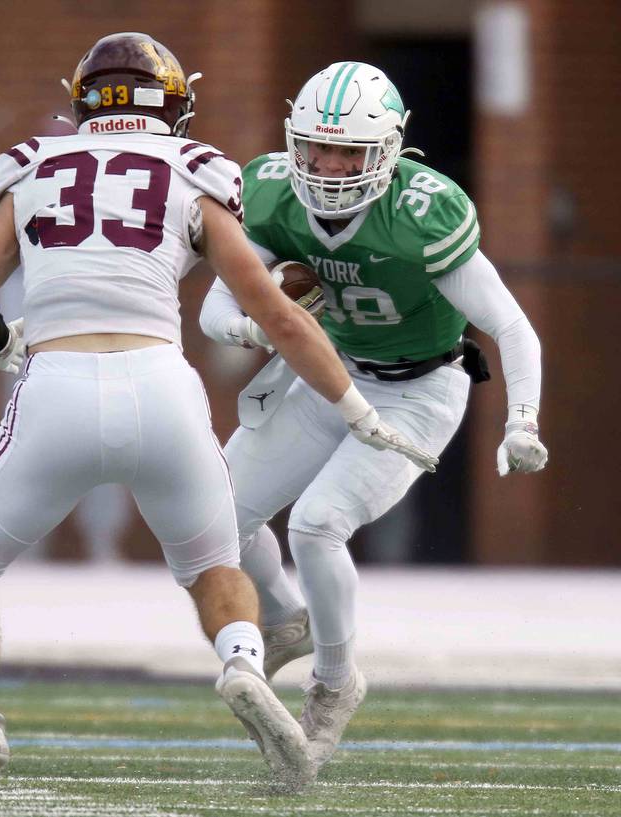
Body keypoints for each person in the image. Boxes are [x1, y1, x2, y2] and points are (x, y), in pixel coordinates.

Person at [0, 35, 436, 790]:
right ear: (176, 104)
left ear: (83, 99)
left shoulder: (32, 166)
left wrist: (4, 344)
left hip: (57, 381)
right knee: (214, 562)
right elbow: (279, 316)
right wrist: (357, 410)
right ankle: (244, 665)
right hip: (162, 386)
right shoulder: (195, 172)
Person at [199, 61, 549, 772]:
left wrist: (523, 420)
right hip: (332, 373)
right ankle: (287, 618)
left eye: (347, 151)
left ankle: (333, 682)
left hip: (421, 388)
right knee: (215, 514)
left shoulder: (422, 212)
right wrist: (260, 325)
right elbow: (216, 307)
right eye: (316, 147)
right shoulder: (270, 191)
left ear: (387, 152)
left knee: (317, 523)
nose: (327, 167)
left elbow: (513, 327)